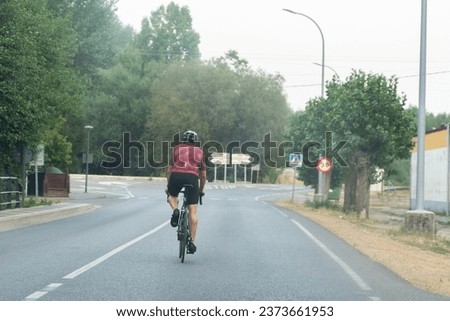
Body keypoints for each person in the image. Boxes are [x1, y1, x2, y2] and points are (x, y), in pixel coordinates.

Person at [166, 130, 206, 254]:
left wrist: (168, 185)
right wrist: (200, 190)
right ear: (195, 141)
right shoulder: (200, 152)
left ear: (183, 139)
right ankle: (192, 242)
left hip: (176, 175)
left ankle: (175, 210)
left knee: (171, 197)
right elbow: (203, 174)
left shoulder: (176, 149)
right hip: (192, 178)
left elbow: (169, 169)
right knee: (193, 210)